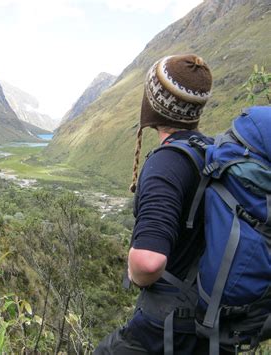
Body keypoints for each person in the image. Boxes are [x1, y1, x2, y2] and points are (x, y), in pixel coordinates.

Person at [95, 54, 213, 354]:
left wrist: (134, 272)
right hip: (210, 324)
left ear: (155, 103)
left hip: (169, 327)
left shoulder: (167, 163)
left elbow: (149, 261)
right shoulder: (210, 152)